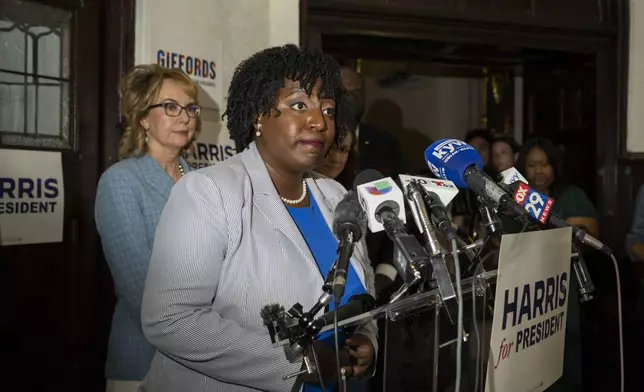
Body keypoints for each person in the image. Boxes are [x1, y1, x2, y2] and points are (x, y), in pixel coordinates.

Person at [139, 44, 377, 392]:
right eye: (299, 105)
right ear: (258, 115)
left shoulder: (337, 197)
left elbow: (361, 293)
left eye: (328, 109)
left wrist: (366, 340)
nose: (319, 121)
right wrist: (298, 363)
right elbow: (172, 319)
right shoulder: (209, 191)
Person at [94, 64, 201, 392]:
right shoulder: (121, 181)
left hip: (208, 360)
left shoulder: (202, 182)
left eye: (190, 108)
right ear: (142, 117)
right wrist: (206, 338)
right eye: (170, 107)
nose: (184, 117)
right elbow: (138, 288)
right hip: (144, 361)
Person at [516, 137, 598, 392]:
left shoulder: (571, 196)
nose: (538, 171)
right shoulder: (515, 198)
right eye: (531, 165)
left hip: (563, 292)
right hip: (523, 297)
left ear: (555, 166)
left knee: (564, 367)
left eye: (545, 164)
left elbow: (588, 235)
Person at [340, 66, 406, 178]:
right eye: (344, 93)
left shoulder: (386, 143)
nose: (351, 99)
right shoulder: (319, 139)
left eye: (357, 93)